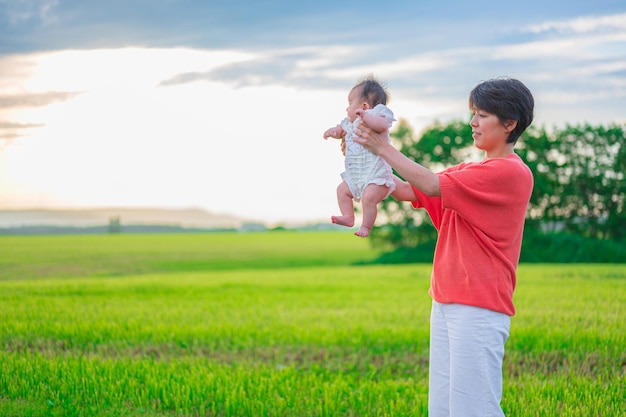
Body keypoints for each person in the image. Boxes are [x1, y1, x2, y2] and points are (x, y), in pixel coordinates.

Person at [350, 77, 535, 417]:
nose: (472, 123)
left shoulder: (511, 173)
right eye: (473, 114)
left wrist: (384, 149)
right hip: (446, 301)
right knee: (444, 409)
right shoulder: (468, 170)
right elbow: (407, 188)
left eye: (482, 115)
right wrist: (362, 166)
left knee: (473, 409)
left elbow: (432, 184)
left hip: (478, 307)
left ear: (510, 123)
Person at [323, 76, 396, 237]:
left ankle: (366, 227)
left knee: (369, 198)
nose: (346, 108)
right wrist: (333, 132)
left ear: (364, 106)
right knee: (342, 190)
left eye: (350, 103)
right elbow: (340, 130)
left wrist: (365, 116)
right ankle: (349, 217)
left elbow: (382, 125)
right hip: (356, 176)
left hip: (375, 174)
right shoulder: (348, 123)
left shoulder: (377, 114)